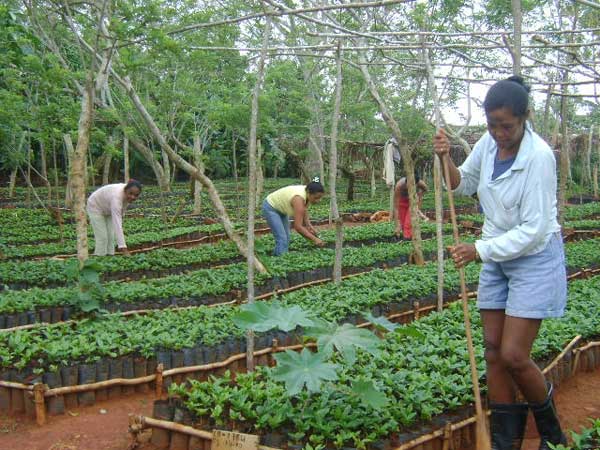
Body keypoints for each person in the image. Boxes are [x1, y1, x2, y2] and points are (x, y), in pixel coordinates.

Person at [433, 76, 567, 450]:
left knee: (513, 354)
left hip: (533, 257)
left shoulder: (538, 157)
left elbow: (534, 229)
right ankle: (504, 441)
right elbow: (461, 184)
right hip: (495, 251)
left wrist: (479, 250)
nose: (498, 133)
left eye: (506, 126)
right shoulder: (488, 144)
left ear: (525, 118)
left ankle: (552, 435)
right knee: (492, 349)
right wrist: (446, 160)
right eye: (492, 125)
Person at [262, 178, 326, 256]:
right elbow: (298, 227)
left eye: (320, 198)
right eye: (316, 198)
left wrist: (309, 225)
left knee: (287, 237)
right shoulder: (298, 199)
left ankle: (277, 256)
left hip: (282, 209)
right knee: (282, 238)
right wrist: (314, 239)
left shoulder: (308, 192)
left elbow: (304, 209)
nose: (318, 200)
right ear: (309, 193)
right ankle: (280, 261)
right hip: (271, 207)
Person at [86, 179, 142, 256]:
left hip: (108, 208)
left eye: (136, 195)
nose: (132, 197)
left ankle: (110, 257)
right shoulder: (116, 197)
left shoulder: (125, 197)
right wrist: (123, 248)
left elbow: (121, 213)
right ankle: (99, 258)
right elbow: (117, 222)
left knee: (111, 236)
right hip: (95, 206)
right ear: (125, 190)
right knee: (102, 237)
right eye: (130, 193)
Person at [394, 173, 428, 239]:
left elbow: (426, 189)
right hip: (402, 202)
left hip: (413, 201)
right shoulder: (399, 185)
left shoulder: (420, 183)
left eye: (414, 185)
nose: (411, 187)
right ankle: (407, 238)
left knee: (408, 222)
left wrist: (420, 195)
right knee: (403, 223)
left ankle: (407, 239)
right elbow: (396, 207)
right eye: (409, 185)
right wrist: (397, 224)